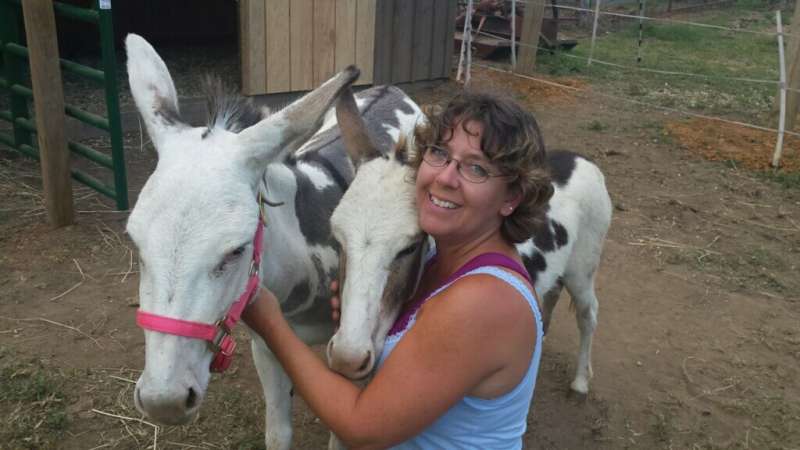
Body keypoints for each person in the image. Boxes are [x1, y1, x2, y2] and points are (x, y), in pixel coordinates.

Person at [243, 90, 554, 449]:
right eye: (440, 153)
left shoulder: (482, 302)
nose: (446, 178)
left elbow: (361, 428)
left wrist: (269, 322)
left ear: (512, 198)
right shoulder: (436, 260)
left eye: (476, 168)